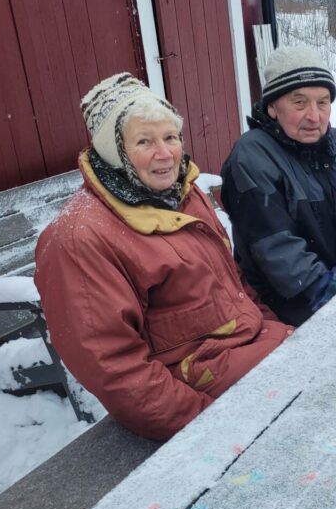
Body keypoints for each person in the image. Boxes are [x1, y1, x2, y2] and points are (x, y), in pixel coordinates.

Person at [35, 73, 291, 441]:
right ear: (112, 150)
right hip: (200, 394)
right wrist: (204, 427)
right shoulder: (78, 239)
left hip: (253, 353)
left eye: (171, 137)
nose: (166, 154)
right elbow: (116, 368)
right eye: (144, 141)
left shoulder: (182, 194)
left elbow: (236, 289)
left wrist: (273, 329)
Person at [220, 45, 336, 326]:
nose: (314, 115)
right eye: (300, 103)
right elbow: (273, 244)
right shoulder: (251, 157)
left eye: (322, 102)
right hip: (285, 300)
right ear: (273, 107)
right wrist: (321, 287)